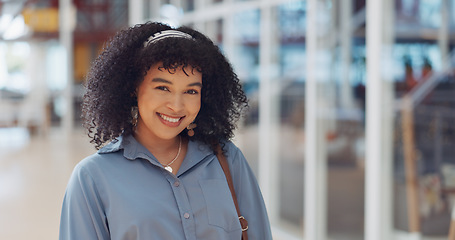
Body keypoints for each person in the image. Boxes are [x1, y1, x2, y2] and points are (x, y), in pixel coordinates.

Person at [59, 22, 272, 240]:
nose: (177, 106)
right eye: (163, 88)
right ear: (134, 87)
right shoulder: (92, 177)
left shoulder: (227, 159)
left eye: (190, 91)